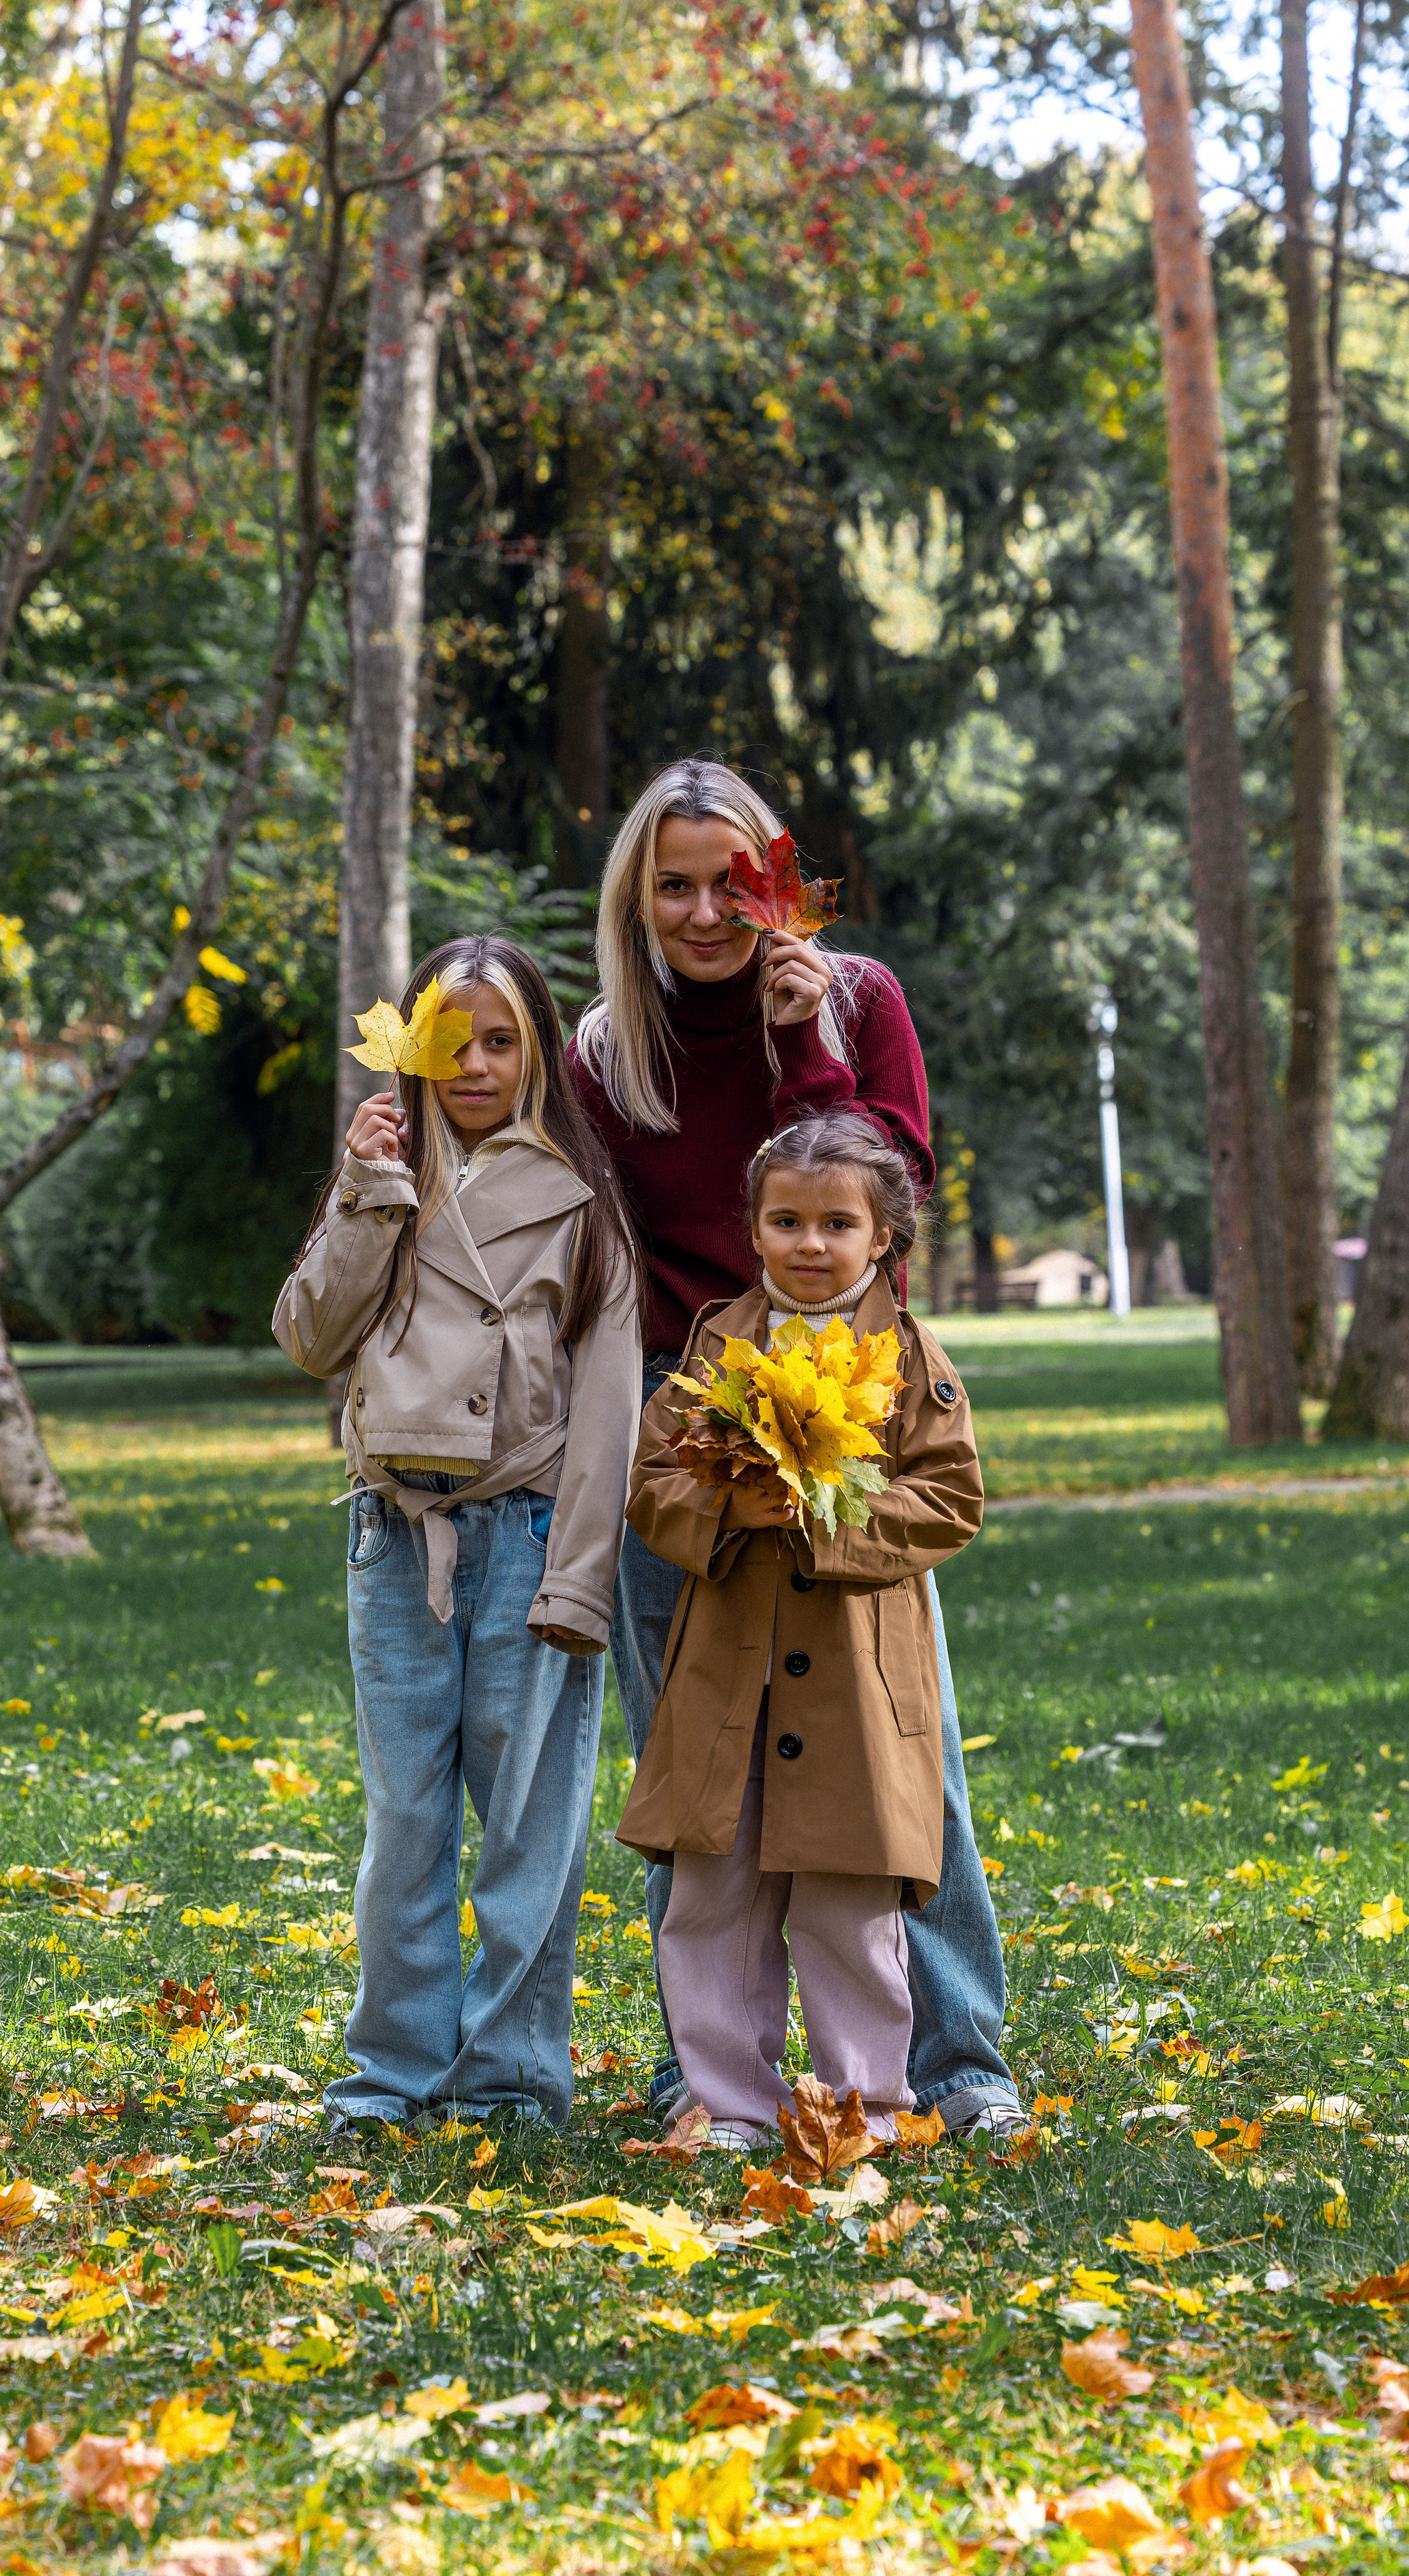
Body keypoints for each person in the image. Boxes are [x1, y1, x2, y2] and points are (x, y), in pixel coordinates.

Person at [568, 755, 1025, 2138]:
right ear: (637, 900)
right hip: (690, 1398)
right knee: (693, 1756)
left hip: (844, 1391)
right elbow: (603, 1245)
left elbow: (881, 1183)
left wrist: (807, 1041)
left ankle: (956, 2060)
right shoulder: (604, 1049)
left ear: (776, 882)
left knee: (898, 1750)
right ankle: (706, 2070)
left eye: (733, 883)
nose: (707, 913)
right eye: (676, 887)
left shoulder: (858, 997)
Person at [274, 936, 641, 2131]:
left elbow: (608, 1415)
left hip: (531, 1536)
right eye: (451, 1041)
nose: (474, 1065)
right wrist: (363, 1196)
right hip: (395, 1537)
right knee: (406, 1827)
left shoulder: (585, 1206)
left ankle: (512, 2081)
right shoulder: (385, 1181)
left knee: (530, 1833)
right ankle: (392, 2076)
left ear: (537, 1052)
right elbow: (308, 1338)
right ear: (413, 1051)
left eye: (500, 1042)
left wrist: (581, 1583)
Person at [616, 1111, 983, 2145]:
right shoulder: (715, 1344)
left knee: (849, 1904)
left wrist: (828, 1510)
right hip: (727, 1672)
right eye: (786, 1221)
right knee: (712, 1898)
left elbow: (951, 1499)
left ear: (883, 1242)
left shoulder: (909, 1357)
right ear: (754, 1230)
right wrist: (735, 1506)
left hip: (858, 1684)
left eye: (836, 1225)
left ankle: (858, 2105)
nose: (810, 1244)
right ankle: (730, 2103)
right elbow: (652, 1484)